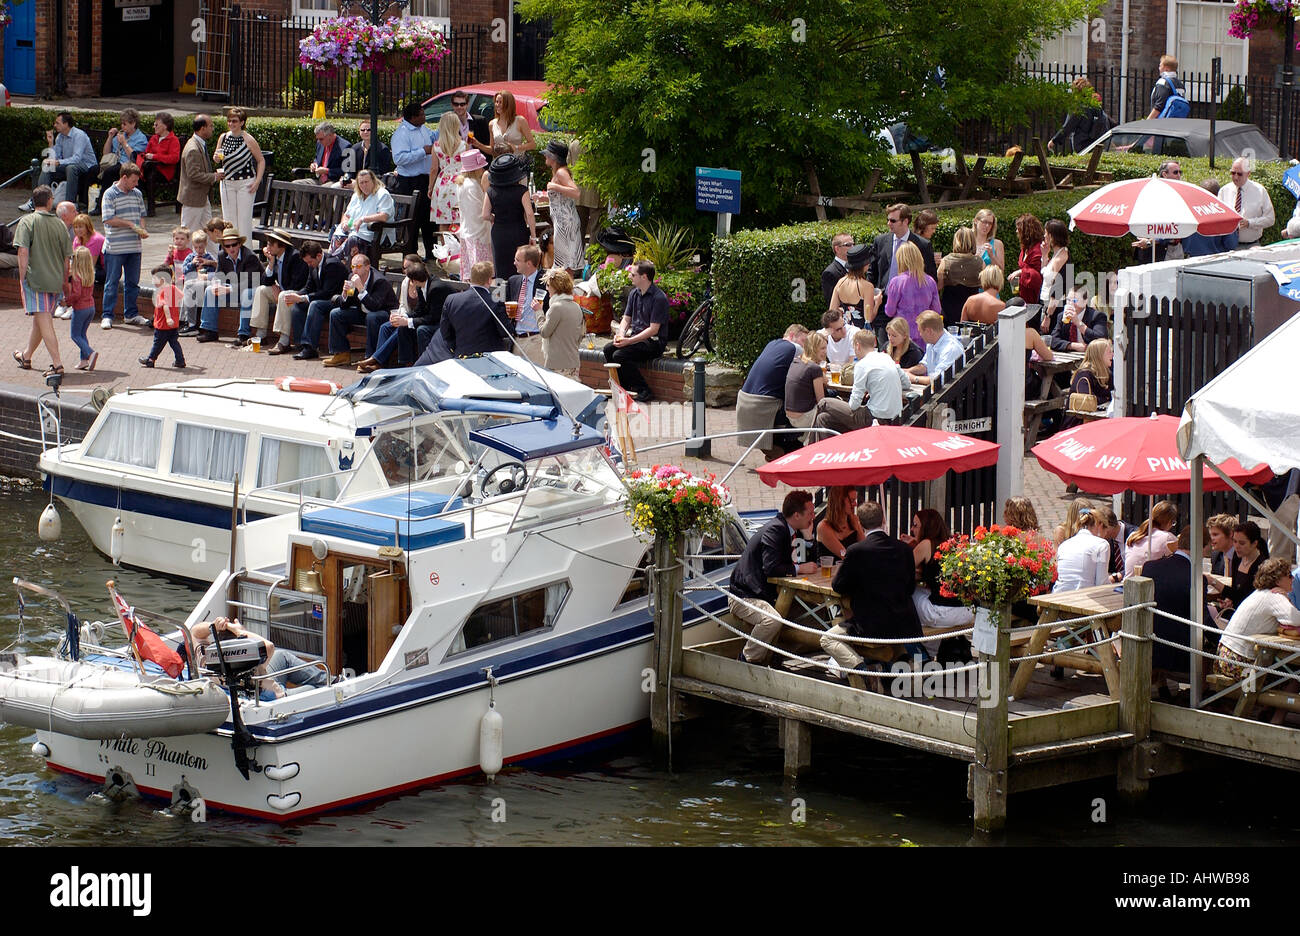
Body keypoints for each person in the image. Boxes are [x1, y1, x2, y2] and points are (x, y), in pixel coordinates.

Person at [822, 501, 923, 681]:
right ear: (883, 520)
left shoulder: (856, 551)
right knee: (892, 643)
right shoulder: (904, 549)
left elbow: (838, 587)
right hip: (905, 623)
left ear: (859, 524)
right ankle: (896, 665)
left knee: (827, 639)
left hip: (872, 625)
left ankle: (860, 669)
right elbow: (910, 587)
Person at [729, 491, 818, 665]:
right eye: (810, 513)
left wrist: (808, 538)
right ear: (797, 515)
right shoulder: (776, 529)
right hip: (745, 596)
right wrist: (799, 568)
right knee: (771, 621)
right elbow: (771, 568)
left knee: (815, 613)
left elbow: (809, 563)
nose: (813, 517)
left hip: (770, 596)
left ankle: (775, 654)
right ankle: (747, 660)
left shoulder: (794, 529)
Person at [1214, 558, 1300, 698]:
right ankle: (1273, 718)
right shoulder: (1274, 596)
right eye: (1289, 575)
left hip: (1226, 657)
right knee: (1293, 675)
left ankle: (1269, 715)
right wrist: (1286, 598)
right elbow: (1295, 619)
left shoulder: (1262, 593)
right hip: (1239, 662)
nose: (1292, 579)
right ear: (1278, 580)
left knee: (1288, 672)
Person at [188, 616, 328, 698]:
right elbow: (269, 646)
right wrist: (238, 630)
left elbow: (194, 632)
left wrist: (214, 625)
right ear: (242, 642)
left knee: (282, 656)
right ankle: (331, 682)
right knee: (315, 689)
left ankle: (330, 681)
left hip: (237, 691)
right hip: (272, 696)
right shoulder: (251, 660)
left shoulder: (206, 662)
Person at [12, 186, 70, 378]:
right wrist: (65, 281)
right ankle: (26, 356)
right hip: (54, 280)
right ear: (49, 201)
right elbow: (66, 258)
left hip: (36, 280)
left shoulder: (27, 221)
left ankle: (57, 364)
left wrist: (22, 279)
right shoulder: (61, 224)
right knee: (40, 320)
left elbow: (23, 252)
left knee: (44, 320)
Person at [1144, 525, 1211, 679]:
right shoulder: (1197, 578)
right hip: (1183, 654)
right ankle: (1205, 696)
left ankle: (1160, 685)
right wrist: (1222, 641)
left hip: (1151, 646)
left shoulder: (1150, 568)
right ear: (1204, 547)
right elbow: (1204, 621)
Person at [812, 328, 911, 431]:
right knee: (823, 418)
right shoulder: (886, 358)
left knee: (824, 403)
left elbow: (854, 405)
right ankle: (820, 445)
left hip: (873, 417)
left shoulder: (862, 365)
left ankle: (808, 445)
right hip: (894, 416)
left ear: (857, 346)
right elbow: (906, 383)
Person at [868, 203, 937, 344]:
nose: (889, 224)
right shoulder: (880, 241)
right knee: (885, 349)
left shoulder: (922, 245)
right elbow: (872, 272)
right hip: (884, 304)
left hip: (909, 310)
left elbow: (931, 277)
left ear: (905, 221)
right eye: (888, 220)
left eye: (893, 220)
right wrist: (873, 296)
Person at [737, 324, 808, 457]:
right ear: (792, 336)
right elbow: (808, 368)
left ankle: (779, 449)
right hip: (763, 405)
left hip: (744, 400)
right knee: (803, 409)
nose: (805, 346)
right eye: (804, 341)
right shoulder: (795, 347)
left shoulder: (771, 344)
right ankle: (789, 450)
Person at [603, 259, 668, 402]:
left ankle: (643, 389)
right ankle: (622, 389)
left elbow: (653, 330)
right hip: (636, 339)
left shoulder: (659, 298)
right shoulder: (634, 293)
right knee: (608, 349)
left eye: (633, 275)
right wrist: (620, 335)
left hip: (653, 342)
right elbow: (626, 318)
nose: (629, 277)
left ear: (644, 277)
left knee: (620, 355)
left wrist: (629, 341)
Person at [320, 252, 398, 367]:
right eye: (352, 267)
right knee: (336, 314)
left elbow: (374, 306)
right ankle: (341, 354)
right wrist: (344, 294)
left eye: (358, 266)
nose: (354, 270)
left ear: (367, 267)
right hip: (363, 312)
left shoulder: (379, 281)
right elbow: (344, 305)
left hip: (384, 314)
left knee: (372, 317)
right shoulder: (352, 277)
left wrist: (361, 289)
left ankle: (370, 357)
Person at [99, 162, 151, 330]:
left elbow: (142, 214)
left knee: (133, 283)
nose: (136, 184)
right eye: (134, 181)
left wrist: (141, 228)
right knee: (112, 282)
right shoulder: (109, 194)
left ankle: (131, 314)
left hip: (134, 247)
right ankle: (107, 315)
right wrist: (129, 224)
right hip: (115, 247)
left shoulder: (137, 194)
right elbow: (108, 219)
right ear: (124, 178)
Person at [908, 508, 975, 631]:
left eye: (915, 525)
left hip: (943, 613)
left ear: (926, 527)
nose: (912, 529)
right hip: (967, 611)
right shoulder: (953, 543)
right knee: (924, 591)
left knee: (911, 593)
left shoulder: (926, 544)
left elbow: (904, 570)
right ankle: (933, 648)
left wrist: (911, 546)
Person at [434, 261, 514, 360]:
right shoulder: (495, 302)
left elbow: (445, 331)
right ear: (489, 280)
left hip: (462, 356)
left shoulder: (451, 300)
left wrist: (456, 348)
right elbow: (505, 332)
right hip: (489, 359)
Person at [358, 265, 432, 372]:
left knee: (401, 328)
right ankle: (380, 363)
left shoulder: (422, 285)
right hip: (408, 317)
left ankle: (376, 358)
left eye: (407, 267)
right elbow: (402, 304)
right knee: (385, 327)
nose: (405, 270)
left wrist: (406, 321)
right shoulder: (407, 283)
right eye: (403, 267)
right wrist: (401, 316)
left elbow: (426, 313)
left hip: (418, 321)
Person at [199, 226, 263, 345]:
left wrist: (228, 289)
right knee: (209, 290)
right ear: (224, 246)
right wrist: (216, 285)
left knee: (246, 294)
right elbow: (219, 275)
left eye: (234, 244)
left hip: (254, 290)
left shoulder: (250, 257)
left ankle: (244, 334)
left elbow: (249, 282)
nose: (231, 248)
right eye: (227, 246)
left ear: (239, 244)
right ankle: (209, 330)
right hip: (233, 290)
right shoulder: (222, 255)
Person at [390, 102, 438, 259]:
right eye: (421, 115)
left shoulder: (423, 128)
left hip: (425, 179)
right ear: (412, 117)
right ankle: (411, 253)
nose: (425, 117)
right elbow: (399, 158)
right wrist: (422, 152)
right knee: (412, 219)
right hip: (409, 181)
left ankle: (431, 253)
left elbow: (432, 137)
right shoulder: (401, 134)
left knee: (428, 219)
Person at [287, 243, 348, 358]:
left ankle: (310, 347)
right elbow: (309, 287)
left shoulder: (332, 265)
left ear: (319, 256)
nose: (309, 265)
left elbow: (327, 292)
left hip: (337, 301)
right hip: (324, 299)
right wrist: (296, 295)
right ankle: (300, 344)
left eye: (310, 262)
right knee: (298, 306)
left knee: (315, 305)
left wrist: (303, 298)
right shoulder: (313, 266)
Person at [483, 154, 537, 287]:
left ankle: (501, 301)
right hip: (518, 230)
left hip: (499, 232)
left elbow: (484, 214)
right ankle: (520, 297)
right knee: (520, 267)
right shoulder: (522, 191)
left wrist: (493, 218)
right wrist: (534, 236)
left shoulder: (491, 191)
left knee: (500, 269)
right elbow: (530, 214)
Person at [249, 229, 309, 347]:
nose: (268, 247)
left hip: (297, 294)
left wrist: (281, 291)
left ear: (281, 246)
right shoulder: (275, 256)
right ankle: (261, 335)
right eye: (267, 244)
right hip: (282, 292)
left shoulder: (295, 257)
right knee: (261, 290)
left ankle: (284, 341)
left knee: (282, 296)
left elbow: (298, 284)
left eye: (271, 244)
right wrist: (270, 263)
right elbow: (265, 281)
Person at [215, 108, 265, 240]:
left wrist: (257, 181)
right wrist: (216, 158)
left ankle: (245, 254)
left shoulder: (248, 139)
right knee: (229, 221)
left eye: (234, 121)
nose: (231, 124)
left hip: (246, 182)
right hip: (227, 182)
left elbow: (261, 161)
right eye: (229, 121)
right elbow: (218, 157)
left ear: (242, 122)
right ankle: (231, 251)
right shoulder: (223, 137)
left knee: (244, 220)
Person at [31, 112, 97, 211]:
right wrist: (50, 143)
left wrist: (58, 162)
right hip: (68, 165)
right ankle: (39, 202)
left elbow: (77, 158)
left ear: (66, 124)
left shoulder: (79, 135)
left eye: (57, 123)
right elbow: (55, 157)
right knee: (48, 166)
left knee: (71, 168)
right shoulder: (60, 136)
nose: (55, 125)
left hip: (87, 165)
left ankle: (69, 204)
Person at [885, 242, 941, 347]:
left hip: (902, 336)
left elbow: (889, 311)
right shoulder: (930, 281)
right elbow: (936, 311)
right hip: (924, 335)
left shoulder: (897, 282)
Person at [330, 169, 394, 259]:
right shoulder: (357, 195)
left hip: (376, 234)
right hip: (355, 231)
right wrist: (344, 223)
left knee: (353, 239)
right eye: (361, 183)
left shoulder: (383, 194)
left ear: (373, 181)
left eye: (366, 182)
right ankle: (335, 262)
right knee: (338, 236)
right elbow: (347, 215)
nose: (364, 185)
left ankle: (333, 261)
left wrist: (363, 219)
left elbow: (384, 216)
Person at [542, 139, 584, 274]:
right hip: (562, 221)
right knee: (565, 261)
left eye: (547, 154)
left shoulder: (561, 173)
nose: (545, 157)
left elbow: (576, 192)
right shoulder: (558, 172)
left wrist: (554, 186)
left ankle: (567, 290)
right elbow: (560, 198)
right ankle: (566, 290)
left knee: (565, 263)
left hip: (566, 222)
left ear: (553, 157)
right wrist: (544, 196)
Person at [177, 115, 224, 233]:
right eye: (211, 126)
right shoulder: (193, 148)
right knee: (188, 232)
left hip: (202, 197)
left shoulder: (199, 144)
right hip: (193, 198)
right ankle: (184, 252)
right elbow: (193, 174)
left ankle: (212, 252)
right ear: (203, 128)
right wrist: (214, 177)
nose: (213, 129)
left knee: (210, 231)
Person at [1132, 161, 1185, 262]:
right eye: (1175, 172)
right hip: (1156, 251)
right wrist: (1150, 242)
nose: (1179, 175)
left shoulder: (1180, 194)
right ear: (1164, 174)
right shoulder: (1154, 194)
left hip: (1177, 248)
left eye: (1180, 172)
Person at [1218, 158, 1276, 250]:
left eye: (1240, 174)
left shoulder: (1259, 191)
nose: (1236, 177)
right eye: (1233, 173)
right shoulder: (1224, 191)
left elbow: (1270, 219)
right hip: (1227, 246)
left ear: (1248, 174)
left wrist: (1250, 223)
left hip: (1251, 246)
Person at [507, 243, 550, 362]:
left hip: (536, 340)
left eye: (517, 260)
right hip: (516, 341)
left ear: (529, 263)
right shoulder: (513, 281)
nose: (514, 262)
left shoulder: (545, 280)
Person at [538, 268, 584, 379]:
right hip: (573, 362)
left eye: (548, 285)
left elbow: (544, 332)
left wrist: (538, 311)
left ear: (555, 287)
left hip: (558, 364)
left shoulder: (556, 307)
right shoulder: (576, 306)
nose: (546, 288)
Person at [1054, 505, 1111, 592]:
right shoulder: (1102, 545)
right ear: (1100, 525)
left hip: (1058, 594)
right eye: (1106, 531)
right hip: (1082, 598)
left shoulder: (1064, 545)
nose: (1105, 535)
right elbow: (1101, 583)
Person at [783, 331, 827, 442]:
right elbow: (822, 402)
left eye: (825, 348)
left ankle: (807, 438)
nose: (825, 352)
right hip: (802, 417)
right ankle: (813, 443)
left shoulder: (797, 361)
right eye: (822, 348)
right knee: (831, 416)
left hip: (789, 415)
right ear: (813, 348)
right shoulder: (814, 368)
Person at [138, 265, 185, 369]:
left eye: (155, 278)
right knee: (174, 343)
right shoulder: (173, 288)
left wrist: (168, 318)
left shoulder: (161, 292)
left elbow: (165, 306)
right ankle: (180, 360)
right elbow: (182, 296)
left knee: (158, 343)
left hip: (163, 325)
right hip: (174, 324)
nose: (153, 281)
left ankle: (150, 360)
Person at [1048, 78, 1112, 153]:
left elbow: (1068, 127)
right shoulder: (1096, 106)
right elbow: (1108, 122)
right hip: (1097, 146)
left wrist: (1054, 140)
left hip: (1082, 146)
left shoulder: (1078, 107)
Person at [1216, 520, 1267, 615]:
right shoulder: (1237, 557)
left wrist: (1214, 582)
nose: (1236, 546)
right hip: (1235, 609)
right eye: (1234, 541)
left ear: (1254, 544)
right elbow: (1235, 588)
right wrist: (1229, 600)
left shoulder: (1261, 566)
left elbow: (1245, 596)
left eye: (1242, 543)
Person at [1060, 337, 1113, 429]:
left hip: (1096, 420)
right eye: (1109, 352)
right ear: (1099, 355)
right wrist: (1105, 398)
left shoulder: (1107, 372)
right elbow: (1087, 401)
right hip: (1077, 423)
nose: (1112, 355)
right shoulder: (1084, 374)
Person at [455, 148, 493, 270]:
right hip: (477, 233)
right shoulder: (472, 186)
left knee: (470, 269)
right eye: (480, 167)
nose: (483, 169)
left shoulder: (463, 183)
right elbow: (478, 212)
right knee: (480, 270)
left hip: (467, 231)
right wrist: (492, 217)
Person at [936, 227, 981, 327]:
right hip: (972, 308)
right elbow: (986, 285)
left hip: (950, 308)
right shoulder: (979, 262)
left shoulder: (946, 261)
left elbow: (938, 286)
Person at [1183, 178, 1240, 256]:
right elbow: (1231, 245)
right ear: (1217, 195)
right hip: (1214, 261)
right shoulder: (1224, 214)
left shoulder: (1187, 211)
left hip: (1191, 259)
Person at [907, 311, 964, 387]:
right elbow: (925, 365)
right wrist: (907, 371)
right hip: (938, 390)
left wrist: (914, 378)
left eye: (920, 331)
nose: (920, 335)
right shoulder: (932, 342)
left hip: (947, 394)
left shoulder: (950, 349)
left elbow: (938, 379)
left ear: (928, 331)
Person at [828, 242, 876, 331]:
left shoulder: (840, 282)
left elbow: (832, 311)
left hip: (846, 331)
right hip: (861, 333)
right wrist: (877, 303)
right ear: (864, 265)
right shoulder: (867, 286)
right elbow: (868, 318)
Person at [1125, 500, 1180, 577]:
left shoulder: (1133, 536)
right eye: (1173, 522)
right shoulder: (1167, 537)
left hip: (1127, 583)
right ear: (1169, 522)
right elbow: (1185, 554)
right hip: (1147, 586)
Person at [64, 246, 98, 371]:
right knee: (82, 334)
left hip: (80, 309)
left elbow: (76, 294)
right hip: (91, 308)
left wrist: (66, 301)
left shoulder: (76, 277)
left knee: (75, 335)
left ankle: (90, 353)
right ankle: (83, 361)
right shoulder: (90, 275)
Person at [97, 108, 149, 189]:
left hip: (127, 166)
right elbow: (106, 154)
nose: (122, 126)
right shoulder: (121, 135)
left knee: (109, 172)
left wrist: (124, 143)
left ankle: (103, 200)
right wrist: (110, 137)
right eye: (121, 124)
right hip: (113, 162)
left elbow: (134, 158)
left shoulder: (141, 139)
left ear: (133, 124)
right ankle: (85, 200)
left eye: (124, 124)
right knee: (92, 171)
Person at [178, 228, 217, 335]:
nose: (198, 250)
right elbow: (184, 270)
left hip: (202, 284)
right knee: (185, 290)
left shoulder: (209, 257)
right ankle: (184, 321)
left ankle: (190, 323)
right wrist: (192, 264)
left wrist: (208, 264)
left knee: (188, 288)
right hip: (192, 283)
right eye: (196, 247)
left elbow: (216, 271)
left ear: (205, 245)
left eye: (201, 247)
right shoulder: (191, 257)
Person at [137, 112, 181, 205]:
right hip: (150, 168)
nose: (154, 126)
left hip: (165, 171)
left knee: (147, 174)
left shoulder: (173, 140)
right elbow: (146, 153)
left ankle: (149, 207)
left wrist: (155, 157)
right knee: (135, 174)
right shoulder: (154, 138)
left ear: (165, 126)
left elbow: (174, 158)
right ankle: (137, 203)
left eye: (156, 124)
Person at [430, 112, 464, 231]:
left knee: (443, 220)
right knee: (460, 219)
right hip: (460, 181)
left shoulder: (437, 146)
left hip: (443, 182)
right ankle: (459, 248)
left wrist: (430, 187)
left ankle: (445, 248)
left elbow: (434, 169)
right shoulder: (464, 145)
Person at [1047, 288, 1108, 353]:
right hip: (1070, 356)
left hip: (1091, 356)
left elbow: (1101, 340)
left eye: (1074, 301)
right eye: (1068, 300)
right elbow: (1053, 340)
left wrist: (1078, 323)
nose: (1070, 303)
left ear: (1085, 301)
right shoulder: (1062, 316)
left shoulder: (1097, 316)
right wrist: (1072, 346)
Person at [817, 486, 865, 560]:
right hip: (830, 570)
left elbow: (864, 548)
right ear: (839, 501)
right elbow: (843, 554)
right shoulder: (824, 527)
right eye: (852, 500)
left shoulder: (854, 520)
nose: (855, 504)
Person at [1006, 214, 1044, 305]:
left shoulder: (1038, 251)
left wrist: (1021, 272)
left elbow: (1039, 277)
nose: (1016, 231)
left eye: (1018, 229)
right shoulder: (1025, 248)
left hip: (1035, 296)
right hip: (1023, 292)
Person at [1037, 219, 1070, 321]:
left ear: (1052, 236)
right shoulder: (1058, 254)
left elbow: (1058, 290)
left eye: (1046, 233)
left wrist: (1048, 316)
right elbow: (1044, 272)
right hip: (1046, 303)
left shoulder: (1060, 259)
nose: (1044, 236)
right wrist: (1045, 254)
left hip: (1053, 308)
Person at [488, 90, 536, 157]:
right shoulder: (492, 124)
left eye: (501, 102)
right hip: (500, 164)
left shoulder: (520, 121)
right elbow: (492, 149)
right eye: (496, 102)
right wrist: (477, 144)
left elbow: (532, 145)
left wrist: (516, 147)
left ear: (508, 104)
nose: (497, 105)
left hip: (516, 163)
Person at [1146, 54, 1188, 119]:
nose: (1159, 68)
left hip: (1161, 122)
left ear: (1166, 68)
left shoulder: (1163, 82)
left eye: (1160, 66)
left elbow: (1159, 106)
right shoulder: (1180, 84)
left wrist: (1148, 120)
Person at [822, 232, 854, 307]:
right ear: (837, 249)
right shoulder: (830, 273)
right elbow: (832, 303)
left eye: (853, 244)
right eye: (848, 245)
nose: (852, 247)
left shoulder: (855, 267)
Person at [972, 208, 1005, 272]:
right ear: (976, 221)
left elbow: (1001, 271)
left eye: (990, 223)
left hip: (989, 281)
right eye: (984, 222)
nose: (987, 226)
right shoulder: (968, 242)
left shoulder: (997, 244)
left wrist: (992, 256)